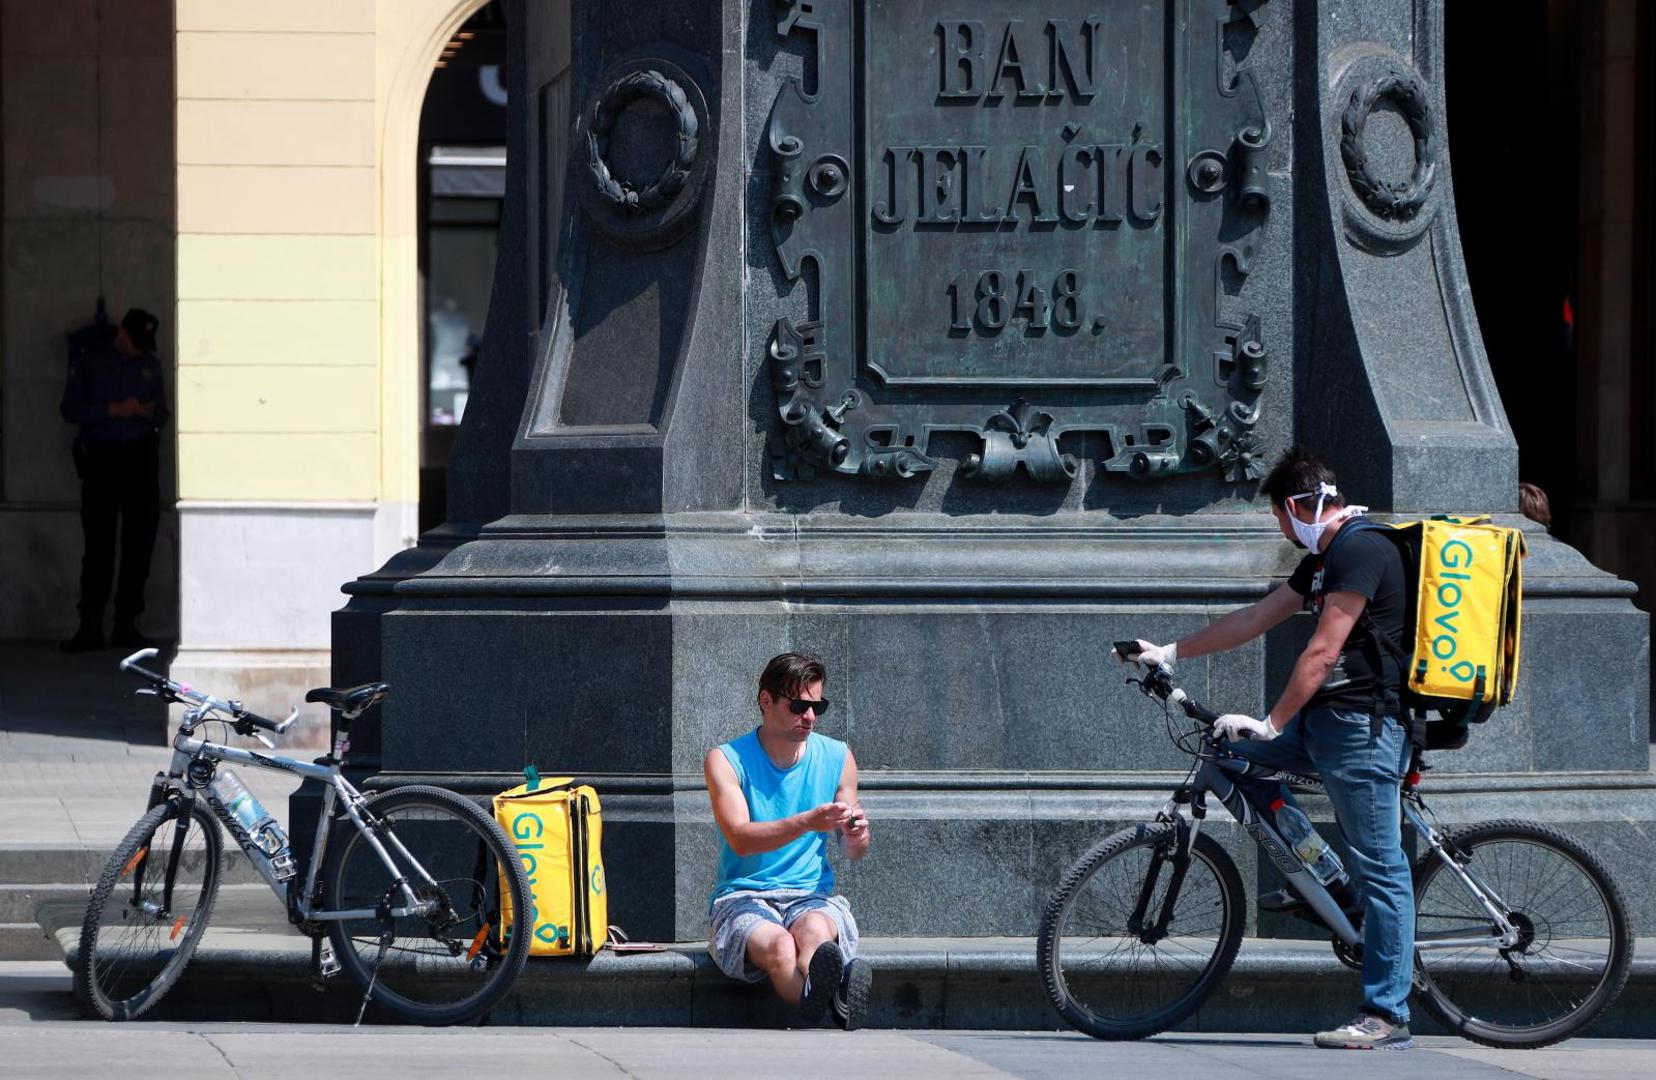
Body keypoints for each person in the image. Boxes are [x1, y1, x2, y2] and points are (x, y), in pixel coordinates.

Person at [1122, 446, 1415, 1051]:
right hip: (1328, 724)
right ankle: (1329, 883)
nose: (1283, 530)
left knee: (1384, 869)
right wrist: (1171, 652)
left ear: (1295, 508)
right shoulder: (1323, 558)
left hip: (1363, 728)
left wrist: (1272, 721)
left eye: (1280, 518)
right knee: (1233, 763)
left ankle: (1387, 1014)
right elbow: (1258, 617)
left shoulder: (1361, 548)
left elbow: (1323, 651)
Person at [704, 652, 873, 1029]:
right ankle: (837, 1002)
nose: (810, 717)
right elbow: (741, 840)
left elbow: (855, 849)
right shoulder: (726, 760)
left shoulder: (837, 756)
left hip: (811, 894)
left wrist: (857, 833)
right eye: (799, 706)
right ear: (766, 701)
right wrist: (806, 822)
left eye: (818, 706)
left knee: (814, 933)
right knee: (780, 947)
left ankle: (824, 992)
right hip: (742, 896)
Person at [59, 307, 167, 652]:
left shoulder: (152, 366)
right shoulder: (92, 364)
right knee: (99, 547)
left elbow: (163, 412)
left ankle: (126, 623)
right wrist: (112, 410)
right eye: (135, 341)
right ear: (121, 333)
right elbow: (69, 410)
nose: (139, 349)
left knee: (139, 545)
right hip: (102, 460)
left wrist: (150, 413)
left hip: (141, 459)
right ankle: (90, 624)